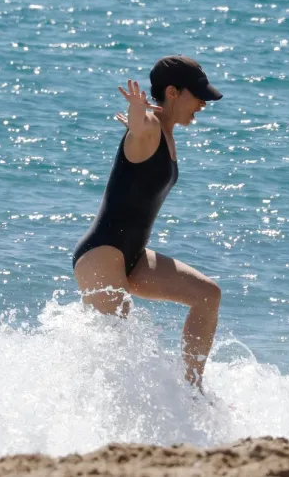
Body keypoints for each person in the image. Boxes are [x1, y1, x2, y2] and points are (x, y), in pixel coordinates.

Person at [71, 55, 224, 391]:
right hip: (101, 254)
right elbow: (140, 128)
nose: (202, 104)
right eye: (198, 96)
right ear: (172, 92)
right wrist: (137, 114)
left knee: (207, 295)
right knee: (118, 354)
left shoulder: (164, 131)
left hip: (133, 256)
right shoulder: (150, 128)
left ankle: (192, 391)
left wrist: (139, 118)